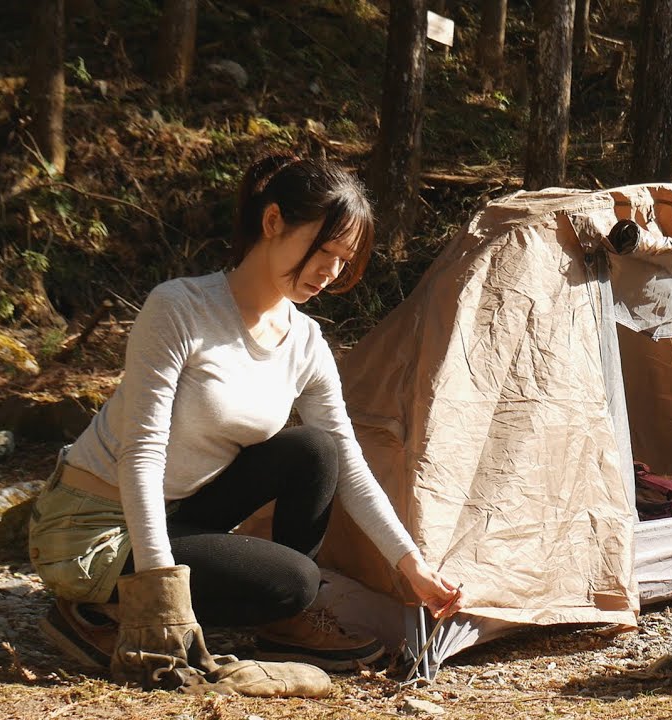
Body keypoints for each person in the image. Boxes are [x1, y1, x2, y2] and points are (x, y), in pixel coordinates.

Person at [28, 154, 464, 687]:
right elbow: (142, 452)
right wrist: (161, 594)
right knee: (294, 579)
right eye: (324, 250)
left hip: (178, 512)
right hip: (92, 528)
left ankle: (284, 619)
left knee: (314, 450)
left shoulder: (305, 341)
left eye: (344, 260)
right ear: (273, 221)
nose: (331, 271)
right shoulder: (179, 307)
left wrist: (410, 564)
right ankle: (99, 611)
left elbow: (348, 464)